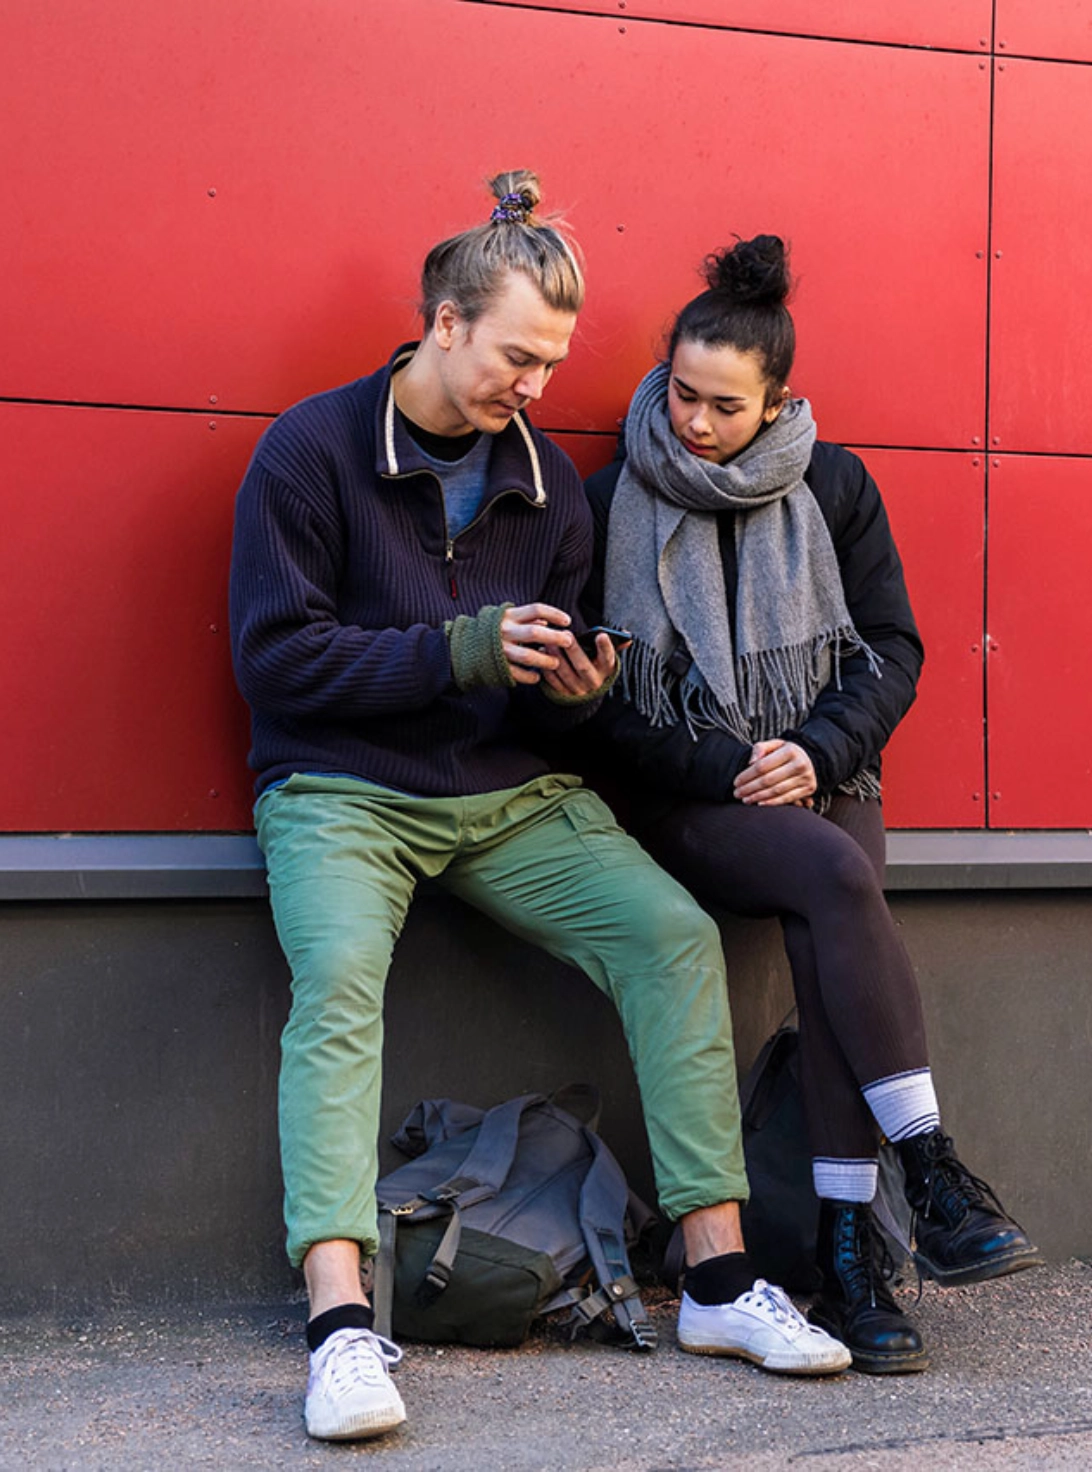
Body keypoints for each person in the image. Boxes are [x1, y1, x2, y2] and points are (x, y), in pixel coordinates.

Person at [229, 179, 851, 1442]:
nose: (536, 383)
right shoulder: (311, 451)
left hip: (503, 791)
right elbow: (278, 659)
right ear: (442, 321)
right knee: (342, 970)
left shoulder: (547, 487)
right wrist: (461, 651)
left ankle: (720, 1279)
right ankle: (342, 1323)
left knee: (669, 933)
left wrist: (576, 691)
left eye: (552, 361)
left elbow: (545, 704)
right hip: (341, 783)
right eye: (517, 354)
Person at [581, 234, 1041, 1376]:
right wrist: (724, 759)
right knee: (840, 878)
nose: (692, 422)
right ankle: (926, 1164)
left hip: (821, 770)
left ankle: (846, 1248)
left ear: (777, 399)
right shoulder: (608, 498)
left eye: (723, 406)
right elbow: (583, 701)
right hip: (686, 792)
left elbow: (891, 648)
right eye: (680, 392)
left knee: (828, 904)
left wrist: (813, 744)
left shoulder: (833, 484)